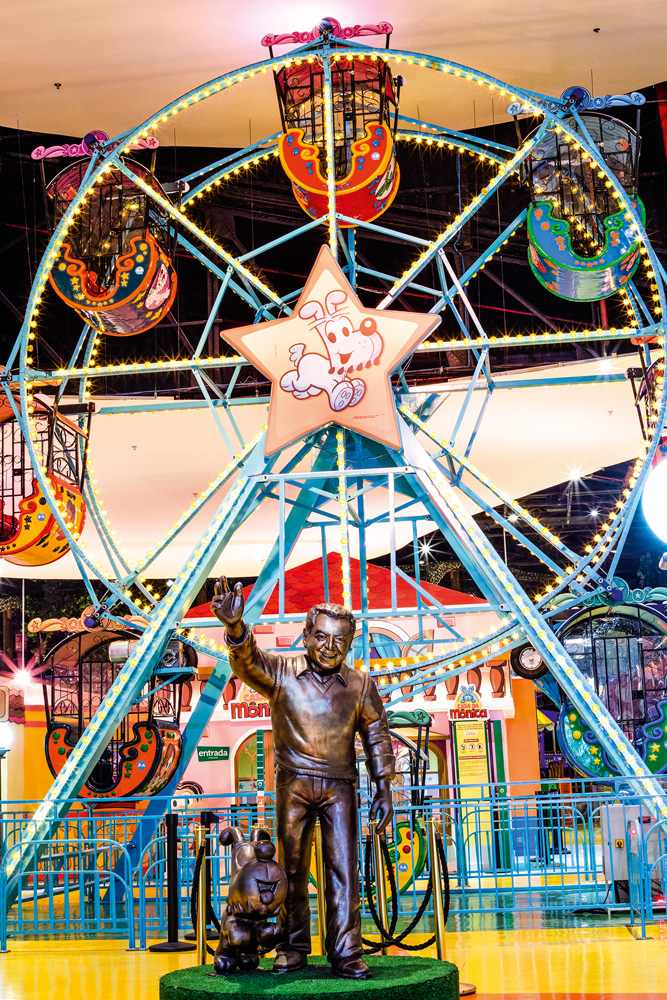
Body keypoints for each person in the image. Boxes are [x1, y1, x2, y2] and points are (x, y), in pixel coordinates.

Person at [212, 576, 395, 980]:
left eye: (340, 641)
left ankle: (346, 951)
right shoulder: (280, 672)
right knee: (290, 871)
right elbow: (247, 664)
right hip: (292, 784)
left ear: (350, 644)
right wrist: (235, 629)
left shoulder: (360, 684)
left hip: (340, 786)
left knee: (343, 870)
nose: (330, 648)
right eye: (322, 637)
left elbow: (377, 733)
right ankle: (292, 946)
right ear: (306, 634)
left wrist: (383, 786)